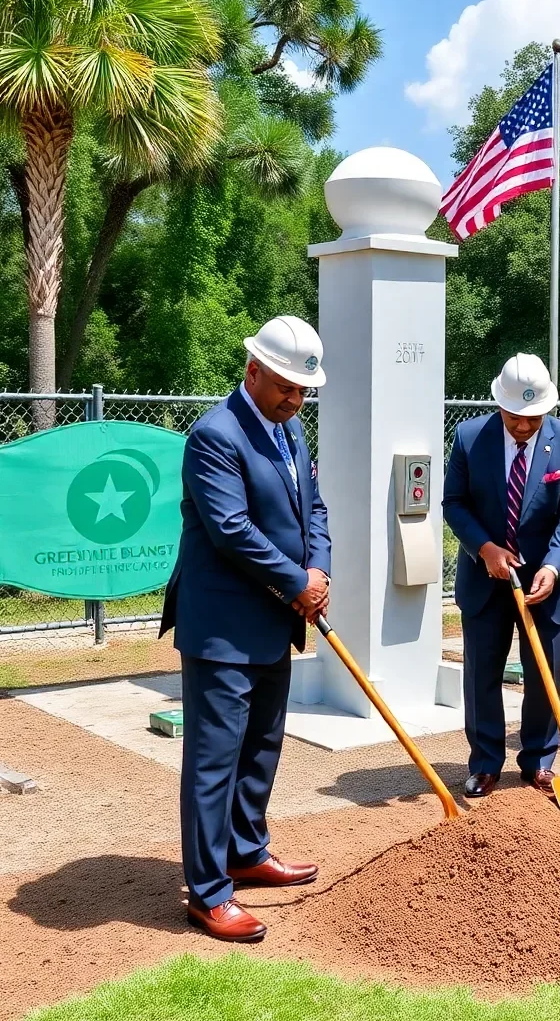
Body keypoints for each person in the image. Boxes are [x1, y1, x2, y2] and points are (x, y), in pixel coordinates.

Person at [160, 316, 332, 943]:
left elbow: (312, 507)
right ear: (253, 370)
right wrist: (297, 582)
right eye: (287, 386)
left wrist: (318, 568)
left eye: (303, 390)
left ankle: (245, 851)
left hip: (273, 618)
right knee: (214, 760)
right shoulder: (215, 435)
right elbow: (231, 529)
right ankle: (208, 894)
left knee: (261, 748)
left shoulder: (290, 435)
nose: (296, 399)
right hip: (223, 627)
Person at [443, 353, 560, 798]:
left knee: (544, 674)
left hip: (547, 583)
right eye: (514, 416)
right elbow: (454, 503)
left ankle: (539, 761)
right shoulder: (470, 438)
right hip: (485, 580)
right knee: (481, 674)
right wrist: (485, 549)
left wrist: (553, 565)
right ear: (498, 404)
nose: (524, 425)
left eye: (533, 416)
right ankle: (485, 763)